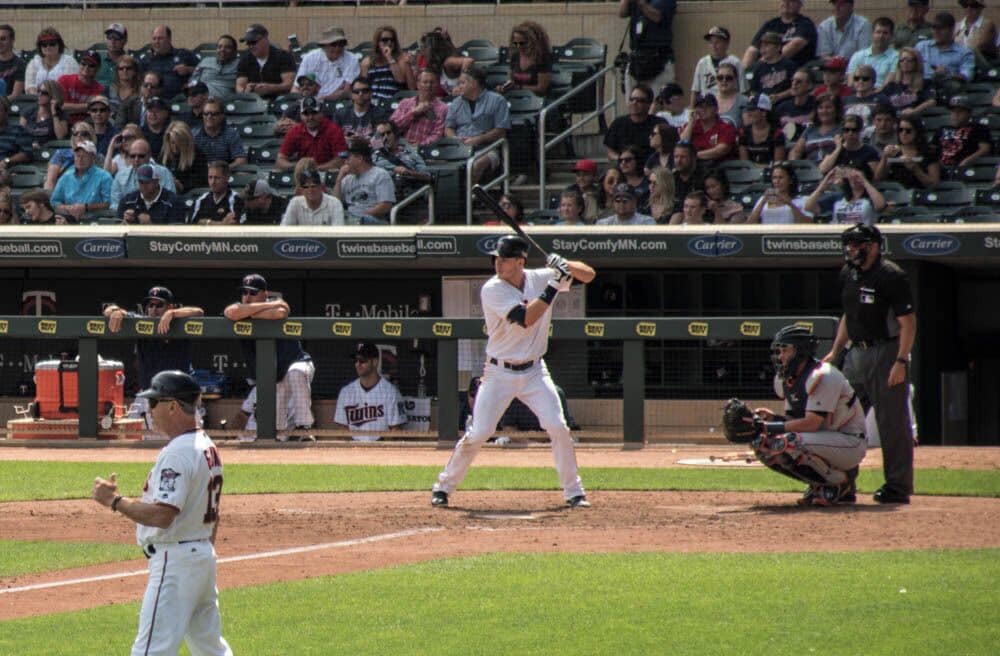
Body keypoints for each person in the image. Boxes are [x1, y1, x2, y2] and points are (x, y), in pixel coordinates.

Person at [431, 235, 595, 508]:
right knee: (479, 432)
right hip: (499, 373)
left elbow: (589, 275)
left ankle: (574, 492)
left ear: (521, 261)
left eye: (505, 259)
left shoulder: (539, 277)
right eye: (496, 258)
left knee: (558, 426)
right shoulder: (492, 289)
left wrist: (565, 264)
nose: (498, 263)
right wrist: (555, 283)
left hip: (534, 371)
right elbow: (526, 319)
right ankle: (443, 487)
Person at [91, 371, 231, 656]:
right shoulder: (207, 445)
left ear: (173, 406)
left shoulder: (178, 452)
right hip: (201, 556)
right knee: (210, 649)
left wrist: (114, 501)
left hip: (175, 560)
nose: (150, 410)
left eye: (154, 402)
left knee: (150, 651)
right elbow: (212, 512)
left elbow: (162, 515)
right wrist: (201, 552)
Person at [823, 223, 916, 504]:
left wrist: (901, 360)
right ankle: (841, 485)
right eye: (849, 244)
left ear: (874, 246)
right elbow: (848, 316)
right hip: (855, 353)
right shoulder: (848, 273)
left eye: (857, 244)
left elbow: (908, 323)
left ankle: (897, 487)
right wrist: (836, 350)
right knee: (841, 418)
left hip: (886, 351)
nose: (851, 249)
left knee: (892, 423)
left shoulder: (891, 275)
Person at [750, 325, 867, 506]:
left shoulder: (823, 375)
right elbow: (794, 422)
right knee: (762, 443)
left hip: (849, 442)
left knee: (789, 442)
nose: (780, 356)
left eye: (785, 350)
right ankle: (819, 485)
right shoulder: (788, 378)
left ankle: (840, 484)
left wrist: (769, 427)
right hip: (824, 440)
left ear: (800, 352)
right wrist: (772, 420)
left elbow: (812, 424)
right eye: (779, 351)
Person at [224, 273, 316, 441]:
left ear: (264, 294)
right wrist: (261, 309)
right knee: (276, 430)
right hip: (274, 375)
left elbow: (281, 312)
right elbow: (231, 313)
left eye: (253, 293)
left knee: (295, 373)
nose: (247, 297)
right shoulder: (257, 306)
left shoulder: (274, 306)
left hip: (297, 362)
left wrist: (249, 313)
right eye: (244, 292)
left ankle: (304, 427)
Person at [103, 287, 204, 424]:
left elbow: (199, 312)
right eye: (150, 305)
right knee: (134, 433)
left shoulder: (180, 323)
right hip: (150, 394)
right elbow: (108, 311)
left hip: (179, 395)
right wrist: (117, 311)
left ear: (169, 306)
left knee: (188, 434)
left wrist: (173, 313)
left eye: (159, 305)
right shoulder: (141, 323)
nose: (154, 309)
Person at [445, 66, 511, 184]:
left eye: (462, 83)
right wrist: (455, 139)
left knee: (476, 165)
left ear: (474, 84)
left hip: (487, 148)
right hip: (460, 148)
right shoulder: (456, 103)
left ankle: (465, 194)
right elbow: (448, 128)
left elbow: (501, 131)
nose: (458, 87)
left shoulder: (498, 100)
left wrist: (478, 139)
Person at [334, 342, 406, 441]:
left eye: (362, 361)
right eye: (356, 360)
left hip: (381, 446)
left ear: (375, 362)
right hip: (354, 447)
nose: (358, 364)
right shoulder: (346, 392)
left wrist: (382, 448)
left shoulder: (390, 392)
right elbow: (341, 429)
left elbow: (396, 430)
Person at [275, 96, 348, 171]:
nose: (310, 117)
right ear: (301, 115)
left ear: (322, 113)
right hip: (303, 173)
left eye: (314, 113)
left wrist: (315, 169)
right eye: (306, 114)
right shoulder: (295, 131)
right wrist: (297, 167)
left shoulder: (334, 130)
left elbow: (341, 159)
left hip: (328, 173)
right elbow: (280, 160)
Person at [618, 0, 677, 93]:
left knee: (658, 98)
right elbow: (622, 13)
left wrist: (641, 3)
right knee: (633, 98)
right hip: (636, 59)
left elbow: (657, 17)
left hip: (659, 59)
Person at [333, 138, 396, 224]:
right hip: (351, 219)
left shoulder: (380, 174)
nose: (345, 162)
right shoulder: (347, 179)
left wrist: (359, 218)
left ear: (359, 158)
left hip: (374, 221)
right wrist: (339, 179)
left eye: (348, 159)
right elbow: (335, 203)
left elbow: (385, 206)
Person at [742, 0, 818, 70]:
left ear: (800, 5)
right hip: (763, 69)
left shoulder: (805, 24)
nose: (786, 3)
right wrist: (744, 71)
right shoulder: (770, 24)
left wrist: (760, 66)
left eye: (791, 1)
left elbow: (793, 46)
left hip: (791, 71)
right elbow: (752, 50)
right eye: (783, 0)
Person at [50, 140, 112, 220]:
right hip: (68, 219)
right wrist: (68, 208)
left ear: (93, 158)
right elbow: (54, 202)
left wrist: (86, 207)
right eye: (77, 156)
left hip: (95, 220)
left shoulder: (105, 177)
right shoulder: (66, 176)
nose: (80, 159)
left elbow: (109, 203)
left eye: (84, 156)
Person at [110, 137, 176, 212]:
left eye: (141, 156)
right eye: (132, 156)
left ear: (149, 156)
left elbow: (171, 201)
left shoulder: (164, 173)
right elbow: (115, 204)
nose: (136, 159)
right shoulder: (120, 176)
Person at [293, 27, 359, 101]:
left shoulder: (351, 59)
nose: (337, 48)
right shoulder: (310, 57)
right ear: (324, 45)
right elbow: (296, 87)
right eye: (333, 44)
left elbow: (346, 91)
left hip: (338, 101)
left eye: (341, 44)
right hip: (309, 101)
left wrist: (323, 98)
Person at [605, 84, 666, 163]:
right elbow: (610, 152)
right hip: (625, 167)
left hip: (651, 167)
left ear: (649, 104)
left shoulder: (659, 124)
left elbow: (667, 149)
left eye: (639, 100)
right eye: (631, 99)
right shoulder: (618, 124)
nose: (634, 103)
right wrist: (623, 160)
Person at [874, 115, 940, 188]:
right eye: (900, 130)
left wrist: (916, 170)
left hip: (922, 192)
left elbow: (934, 184)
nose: (903, 133)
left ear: (917, 132)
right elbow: (878, 179)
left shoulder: (929, 152)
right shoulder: (894, 151)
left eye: (908, 131)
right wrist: (884, 157)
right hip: (897, 192)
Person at [806, 165, 886, 224]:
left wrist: (864, 181)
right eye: (851, 177)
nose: (854, 180)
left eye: (857, 177)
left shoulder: (871, 197)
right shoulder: (838, 197)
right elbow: (809, 207)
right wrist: (823, 185)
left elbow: (881, 205)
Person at [236, 24, 296, 98]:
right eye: (248, 43)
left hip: (280, 99)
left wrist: (270, 88)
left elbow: (289, 84)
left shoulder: (284, 56)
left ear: (265, 39)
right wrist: (245, 91)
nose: (251, 46)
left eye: (254, 42)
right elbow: (239, 85)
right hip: (253, 100)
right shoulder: (245, 58)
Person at [390, 68, 448, 146]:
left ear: (437, 85)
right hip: (401, 146)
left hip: (425, 148)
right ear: (418, 84)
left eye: (432, 82)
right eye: (425, 82)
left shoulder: (443, 108)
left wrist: (421, 144)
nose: (428, 85)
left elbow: (438, 134)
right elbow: (393, 126)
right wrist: (412, 113)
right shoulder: (405, 103)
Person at [137, 25, 198, 99]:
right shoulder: (145, 60)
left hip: (179, 99)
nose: (156, 42)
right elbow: (138, 83)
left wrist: (188, 69)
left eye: (160, 38)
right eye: (154, 39)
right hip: (153, 100)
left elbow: (203, 70)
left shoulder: (183, 54)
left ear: (169, 39)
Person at [360, 25, 416, 103]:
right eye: (385, 40)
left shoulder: (402, 60)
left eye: (392, 40)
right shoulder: (367, 62)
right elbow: (363, 86)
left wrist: (389, 58)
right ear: (377, 42)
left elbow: (400, 81)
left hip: (394, 102)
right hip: (373, 102)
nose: (389, 43)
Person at [915, 13, 975, 83]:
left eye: (941, 28)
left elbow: (967, 76)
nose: (936, 32)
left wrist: (948, 74)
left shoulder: (964, 53)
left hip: (947, 86)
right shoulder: (921, 47)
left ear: (952, 29)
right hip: (921, 85)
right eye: (934, 28)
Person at [692, 26, 746, 102]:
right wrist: (692, 108)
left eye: (717, 42)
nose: (714, 46)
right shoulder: (702, 63)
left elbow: (743, 90)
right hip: (707, 105)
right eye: (711, 42)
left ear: (727, 43)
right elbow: (695, 90)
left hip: (730, 104)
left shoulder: (735, 62)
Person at [499, 21, 553, 97]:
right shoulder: (515, 56)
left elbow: (541, 88)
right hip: (516, 97)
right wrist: (504, 87)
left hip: (536, 99)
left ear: (533, 42)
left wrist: (519, 87)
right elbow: (511, 80)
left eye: (522, 43)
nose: (518, 46)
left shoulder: (542, 58)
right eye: (515, 43)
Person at [746, 162, 813, 223]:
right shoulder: (763, 200)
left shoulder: (802, 200)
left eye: (781, 178)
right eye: (774, 178)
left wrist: (790, 204)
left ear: (790, 180)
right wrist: (762, 202)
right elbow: (749, 224)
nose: (777, 181)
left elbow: (807, 224)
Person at [680, 93, 737, 165]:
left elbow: (721, 150)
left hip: (718, 166)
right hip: (693, 165)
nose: (704, 109)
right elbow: (682, 143)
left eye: (708, 106)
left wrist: (693, 155)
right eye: (700, 107)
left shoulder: (725, 128)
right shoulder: (690, 126)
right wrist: (691, 122)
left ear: (716, 109)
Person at [118, 164, 185, 224]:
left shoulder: (173, 202)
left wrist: (151, 224)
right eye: (141, 182)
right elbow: (116, 229)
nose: (144, 186)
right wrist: (125, 223)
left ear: (156, 182)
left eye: (147, 182)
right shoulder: (127, 201)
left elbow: (176, 232)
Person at [938, 95, 992, 168]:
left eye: (960, 111)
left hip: (967, 167)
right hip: (942, 168)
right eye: (953, 111)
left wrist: (966, 162)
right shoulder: (942, 129)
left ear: (969, 113)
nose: (956, 115)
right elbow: (933, 149)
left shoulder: (979, 128)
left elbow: (985, 149)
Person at [417, 28, 473, 97]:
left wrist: (460, 85)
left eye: (424, 47)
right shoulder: (437, 65)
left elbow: (468, 61)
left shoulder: (448, 62)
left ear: (433, 49)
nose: (422, 51)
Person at [56, 50, 106, 127]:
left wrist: (71, 108)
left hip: (87, 127)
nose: (86, 67)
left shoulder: (100, 89)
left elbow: (97, 112)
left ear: (97, 68)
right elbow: (60, 107)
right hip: (63, 124)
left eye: (91, 65)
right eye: (83, 64)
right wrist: (88, 106)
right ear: (79, 64)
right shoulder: (64, 80)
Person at [881, 47, 937, 115]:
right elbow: (881, 102)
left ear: (917, 63)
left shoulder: (926, 83)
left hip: (915, 118)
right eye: (902, 60)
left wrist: (914, 111)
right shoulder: (892, 86)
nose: (905, 62)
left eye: (909, 60)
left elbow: (932, 102)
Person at [789, 92, 843, 162]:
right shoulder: (810, 129)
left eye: (828, 107)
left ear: (836, 109)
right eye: (820, 108)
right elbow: (796, 151)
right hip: (810, 167)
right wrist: (793, 161)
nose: (824, 111)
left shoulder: (842, 129)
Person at [193, 97, 248, 166]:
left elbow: (242, 160)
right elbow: (187, 160)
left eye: (214, 114)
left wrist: (222, 170)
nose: (209, 117)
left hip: (226, 171)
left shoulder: (231, 134)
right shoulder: (193, 134)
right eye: (206, 113)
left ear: (222, 116)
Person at [746, 32, 797, 104]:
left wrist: (779, 96)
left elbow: (796, 88)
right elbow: (751, 91)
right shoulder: (756, 67)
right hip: (761, 105)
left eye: (766, 46)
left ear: (778, 47)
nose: (763, 49)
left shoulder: (789, 65)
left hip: (783, 103)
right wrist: (762, 99)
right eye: (761, 46)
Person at [847, 17, 899, 87]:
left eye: (885, 33)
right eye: (878, 32)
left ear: (891, 36)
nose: (881, 36)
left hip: (883, 93)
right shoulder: (858, 56)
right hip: (859, 92)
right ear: (872, 34)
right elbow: (851, 83)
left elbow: (888, 86)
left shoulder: (896, 57)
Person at [25, 27, 78, 95]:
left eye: (52, 43)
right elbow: (29, 86)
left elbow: (72, 87)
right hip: (38, 99)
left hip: (62, 99)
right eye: (44, 44)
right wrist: (37, 95)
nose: (48, 47)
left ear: (59, 44)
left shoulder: (69, 62)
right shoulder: (34, 63)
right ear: (40, 47)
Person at [191, 161, 246, 226]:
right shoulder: (200, 200)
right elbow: (193, 223)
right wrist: (221, 223)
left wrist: (205, 222)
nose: (213, 182)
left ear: (227, 178)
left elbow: (235, 225)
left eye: (217, 178)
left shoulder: (236, 199)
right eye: (210, 177)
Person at [739, 93, 786, 165]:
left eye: (752, 110)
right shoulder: (743, 132)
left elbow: (778, 164)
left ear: (764, 112)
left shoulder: (777, 134)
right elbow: (744, 164)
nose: (748, 113)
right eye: (748, 109)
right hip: (749, 171)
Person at [46, 122, 92, 191]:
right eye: (75, 134)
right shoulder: (60, 154)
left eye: (84, 134)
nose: (79, 136)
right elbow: (50, 181)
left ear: (91, 137)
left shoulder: (97, 157)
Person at [22, 81, 68, 149]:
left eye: (44, 93)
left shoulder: (61, 114)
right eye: (38, 91)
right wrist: (29, 145)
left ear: (53, 95)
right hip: (28, 149)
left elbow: (60, 136)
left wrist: (54, 112)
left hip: (49, 150)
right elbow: (20, 135)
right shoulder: (28, 111)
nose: (40, 94)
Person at [192, 35, 240, 100]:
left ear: (235, 51)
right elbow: (193, 80)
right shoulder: (206, 61)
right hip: (200, 98)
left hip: (224, 101)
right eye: (219, 47)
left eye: (227, 47)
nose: (222, 50)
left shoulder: (240, 64)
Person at [774, 69, 815, 142]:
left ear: (810, 86)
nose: (794, 84)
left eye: (799, 81)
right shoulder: (782, 107)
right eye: (792, 80)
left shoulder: (816, 106)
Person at [0, 97, 32, 171]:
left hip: (8, 169)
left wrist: (7, 161)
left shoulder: (18, 130)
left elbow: (27, 154)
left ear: (6, 112)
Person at [670, 142, 702, 214]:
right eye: (676, 157)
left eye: (683, 157)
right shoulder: (671, 178)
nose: (678, 161)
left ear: (693, 158)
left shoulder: (703, 178)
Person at [714, 63, 748, 128]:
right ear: (716, 80)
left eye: (728, 78)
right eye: (720, 78)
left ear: (735, 80)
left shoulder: (743, 101)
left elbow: (748, 129)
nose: (724, 80)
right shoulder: (710, 101)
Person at [616, 144, 650, 209]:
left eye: (628, 160)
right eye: (620, 160)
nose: (623, 163)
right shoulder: (618, 182)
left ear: (637, 160)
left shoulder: (649, 181)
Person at [97, 23, 128, 89]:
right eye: (109, 37)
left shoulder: (130, 63)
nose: (113, 41)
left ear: (125, 40)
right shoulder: (97, 60)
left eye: (117, 38)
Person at [0, 25, 26, 97]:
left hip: (9, 102)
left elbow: (15, 94)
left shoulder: (20, 64)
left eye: (3, 39)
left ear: (12, 41)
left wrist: (2, 102)